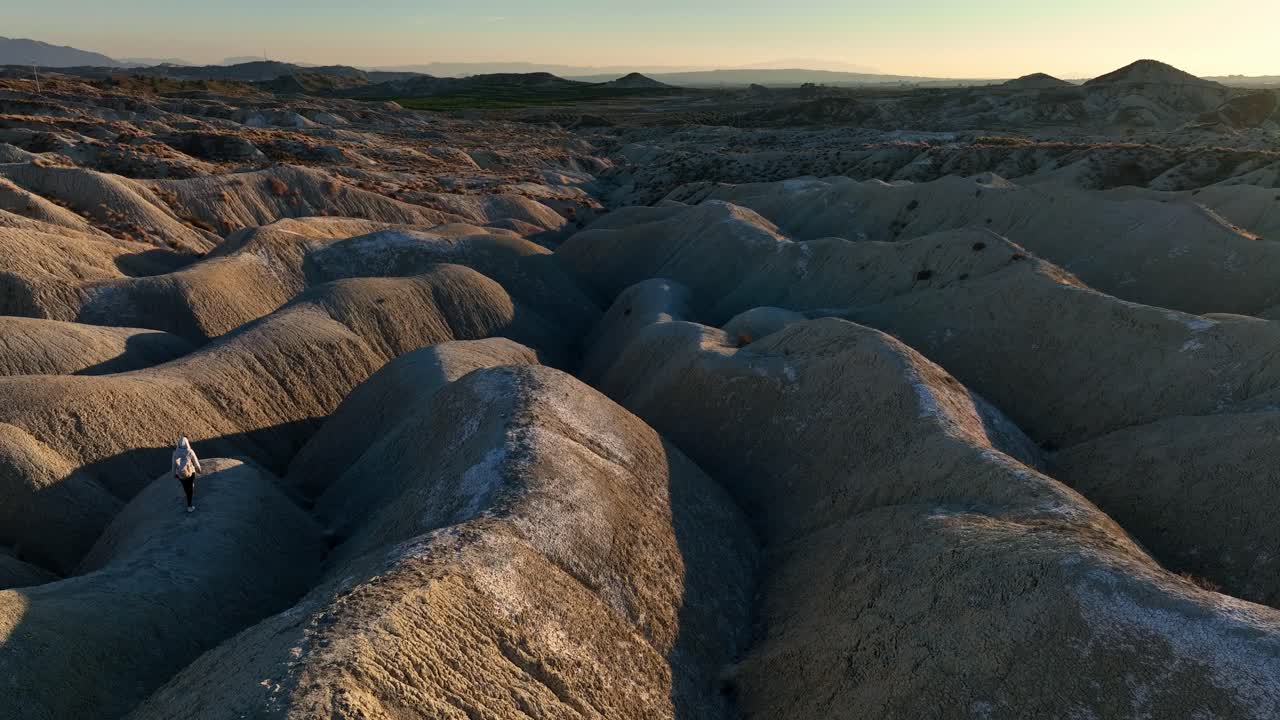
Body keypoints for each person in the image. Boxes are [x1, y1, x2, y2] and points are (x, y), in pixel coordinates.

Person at [172, 437, 202, 513]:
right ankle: (190, 506)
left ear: (178, 444)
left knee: (186, 487)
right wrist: (199, 469)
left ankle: (187, 493)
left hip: (181, 474)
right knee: (190, 488)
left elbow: (174, 465)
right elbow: (195, 462)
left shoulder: (175, 453)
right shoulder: (190, 451)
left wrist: (174, 474)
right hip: (190, 473)